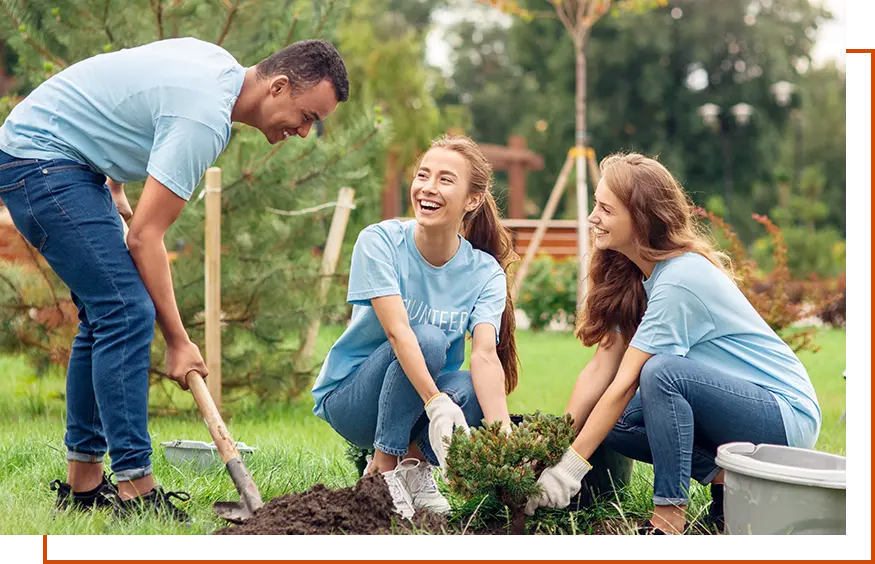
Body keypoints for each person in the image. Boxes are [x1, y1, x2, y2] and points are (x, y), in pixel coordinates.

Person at [0, 37, 348, 521]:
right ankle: (137, 491)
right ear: (279, 86)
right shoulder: (205, 116)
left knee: (105, 314)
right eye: (308, 116)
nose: (307, 132)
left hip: (59, 157)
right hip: (42, 159)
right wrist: (179, 342)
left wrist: (115, 181)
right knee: (125, 310)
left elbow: (126, 87)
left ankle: (83, 487)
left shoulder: (218, 69)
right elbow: (145, 239)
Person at [523, 153, 821, 535]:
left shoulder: (680, 278)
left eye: (605, 209)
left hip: (783, 414)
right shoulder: (634, 274)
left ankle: (668, 516)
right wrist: (549, 451)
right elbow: (602, 368)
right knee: (616, 417)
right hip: (736, 411)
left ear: (641, 219)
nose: (592, 217)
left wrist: (570, 471)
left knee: (661, 372)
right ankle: (725, 484)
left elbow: (628, 380)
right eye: (595, 204)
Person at [311, 134, 519, 517]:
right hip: (355, 399)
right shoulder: (380, 241)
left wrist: (505, 446)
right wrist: (436, 402)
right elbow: (399, 333)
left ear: (472, 200)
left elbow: (486, 357)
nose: (428, 187)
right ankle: (383, 471)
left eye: (445, 179)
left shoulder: (484, 271)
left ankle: (414, 466)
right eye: (423, 175)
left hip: (416, 401)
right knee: (427, 338)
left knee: (473, 389)